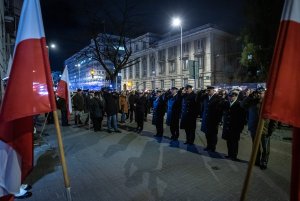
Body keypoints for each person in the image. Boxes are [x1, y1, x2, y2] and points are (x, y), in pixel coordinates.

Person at [241, 87, 277, 169]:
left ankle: (264, 162)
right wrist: (250, 96)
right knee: (255, 146)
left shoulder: (269, 103)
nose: (259, 94)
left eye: (261, 93)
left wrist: (271, 130)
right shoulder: (252, 101)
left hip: (265, 129)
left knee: (265, 147)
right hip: (253, 128)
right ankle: (256, 160)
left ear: (265, 93)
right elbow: (242, 105)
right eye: (258, 93)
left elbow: (274, 119)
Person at [221, 90, 246, 160]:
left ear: (236, 96)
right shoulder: (227, 103)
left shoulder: (239, 104)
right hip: (227, 126)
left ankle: (234, 155)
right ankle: (229, 154)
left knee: (234, 142)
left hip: (235, 127)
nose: (231, 98)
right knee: (228, 141)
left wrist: (241, 128)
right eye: (230, 96)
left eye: (233, 96)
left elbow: (242, 118)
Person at [201, 86, 223, 152]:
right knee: (207, 134)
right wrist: (202, 92)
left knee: (213, 134)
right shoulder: (205, 97)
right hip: (206, 119)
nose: (208, 92)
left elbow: (220, 110)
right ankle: (208, 146)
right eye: (207, 90)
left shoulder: (218, 98)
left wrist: (219, 120)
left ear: (213, 90)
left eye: (209, 90)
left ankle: (213, 147)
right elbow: (198, 99)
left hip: (213, 120)